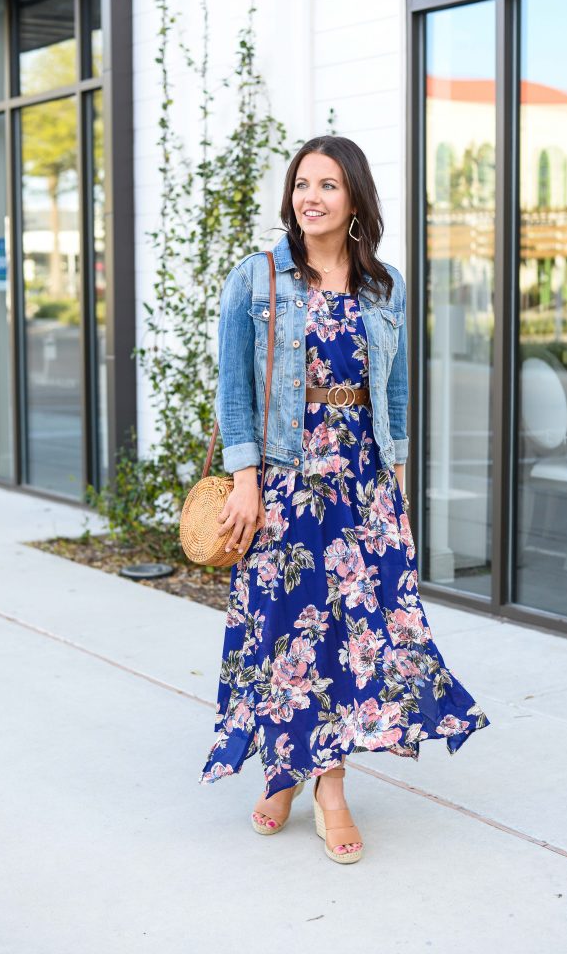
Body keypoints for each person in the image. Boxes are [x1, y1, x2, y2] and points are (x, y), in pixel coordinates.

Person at [199, 135, 490, 864]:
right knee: (287, 637)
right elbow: (234, 389)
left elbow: (390, 396)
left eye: (328, 185)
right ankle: (308, 782)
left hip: (360, 489)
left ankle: (304, 779)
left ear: (354, 198)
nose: (311, 198)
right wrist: (245, 482)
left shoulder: (382, 286)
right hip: (286, 487)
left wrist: (397, 498)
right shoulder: (258, 278)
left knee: (356, 642)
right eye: (302, 184)